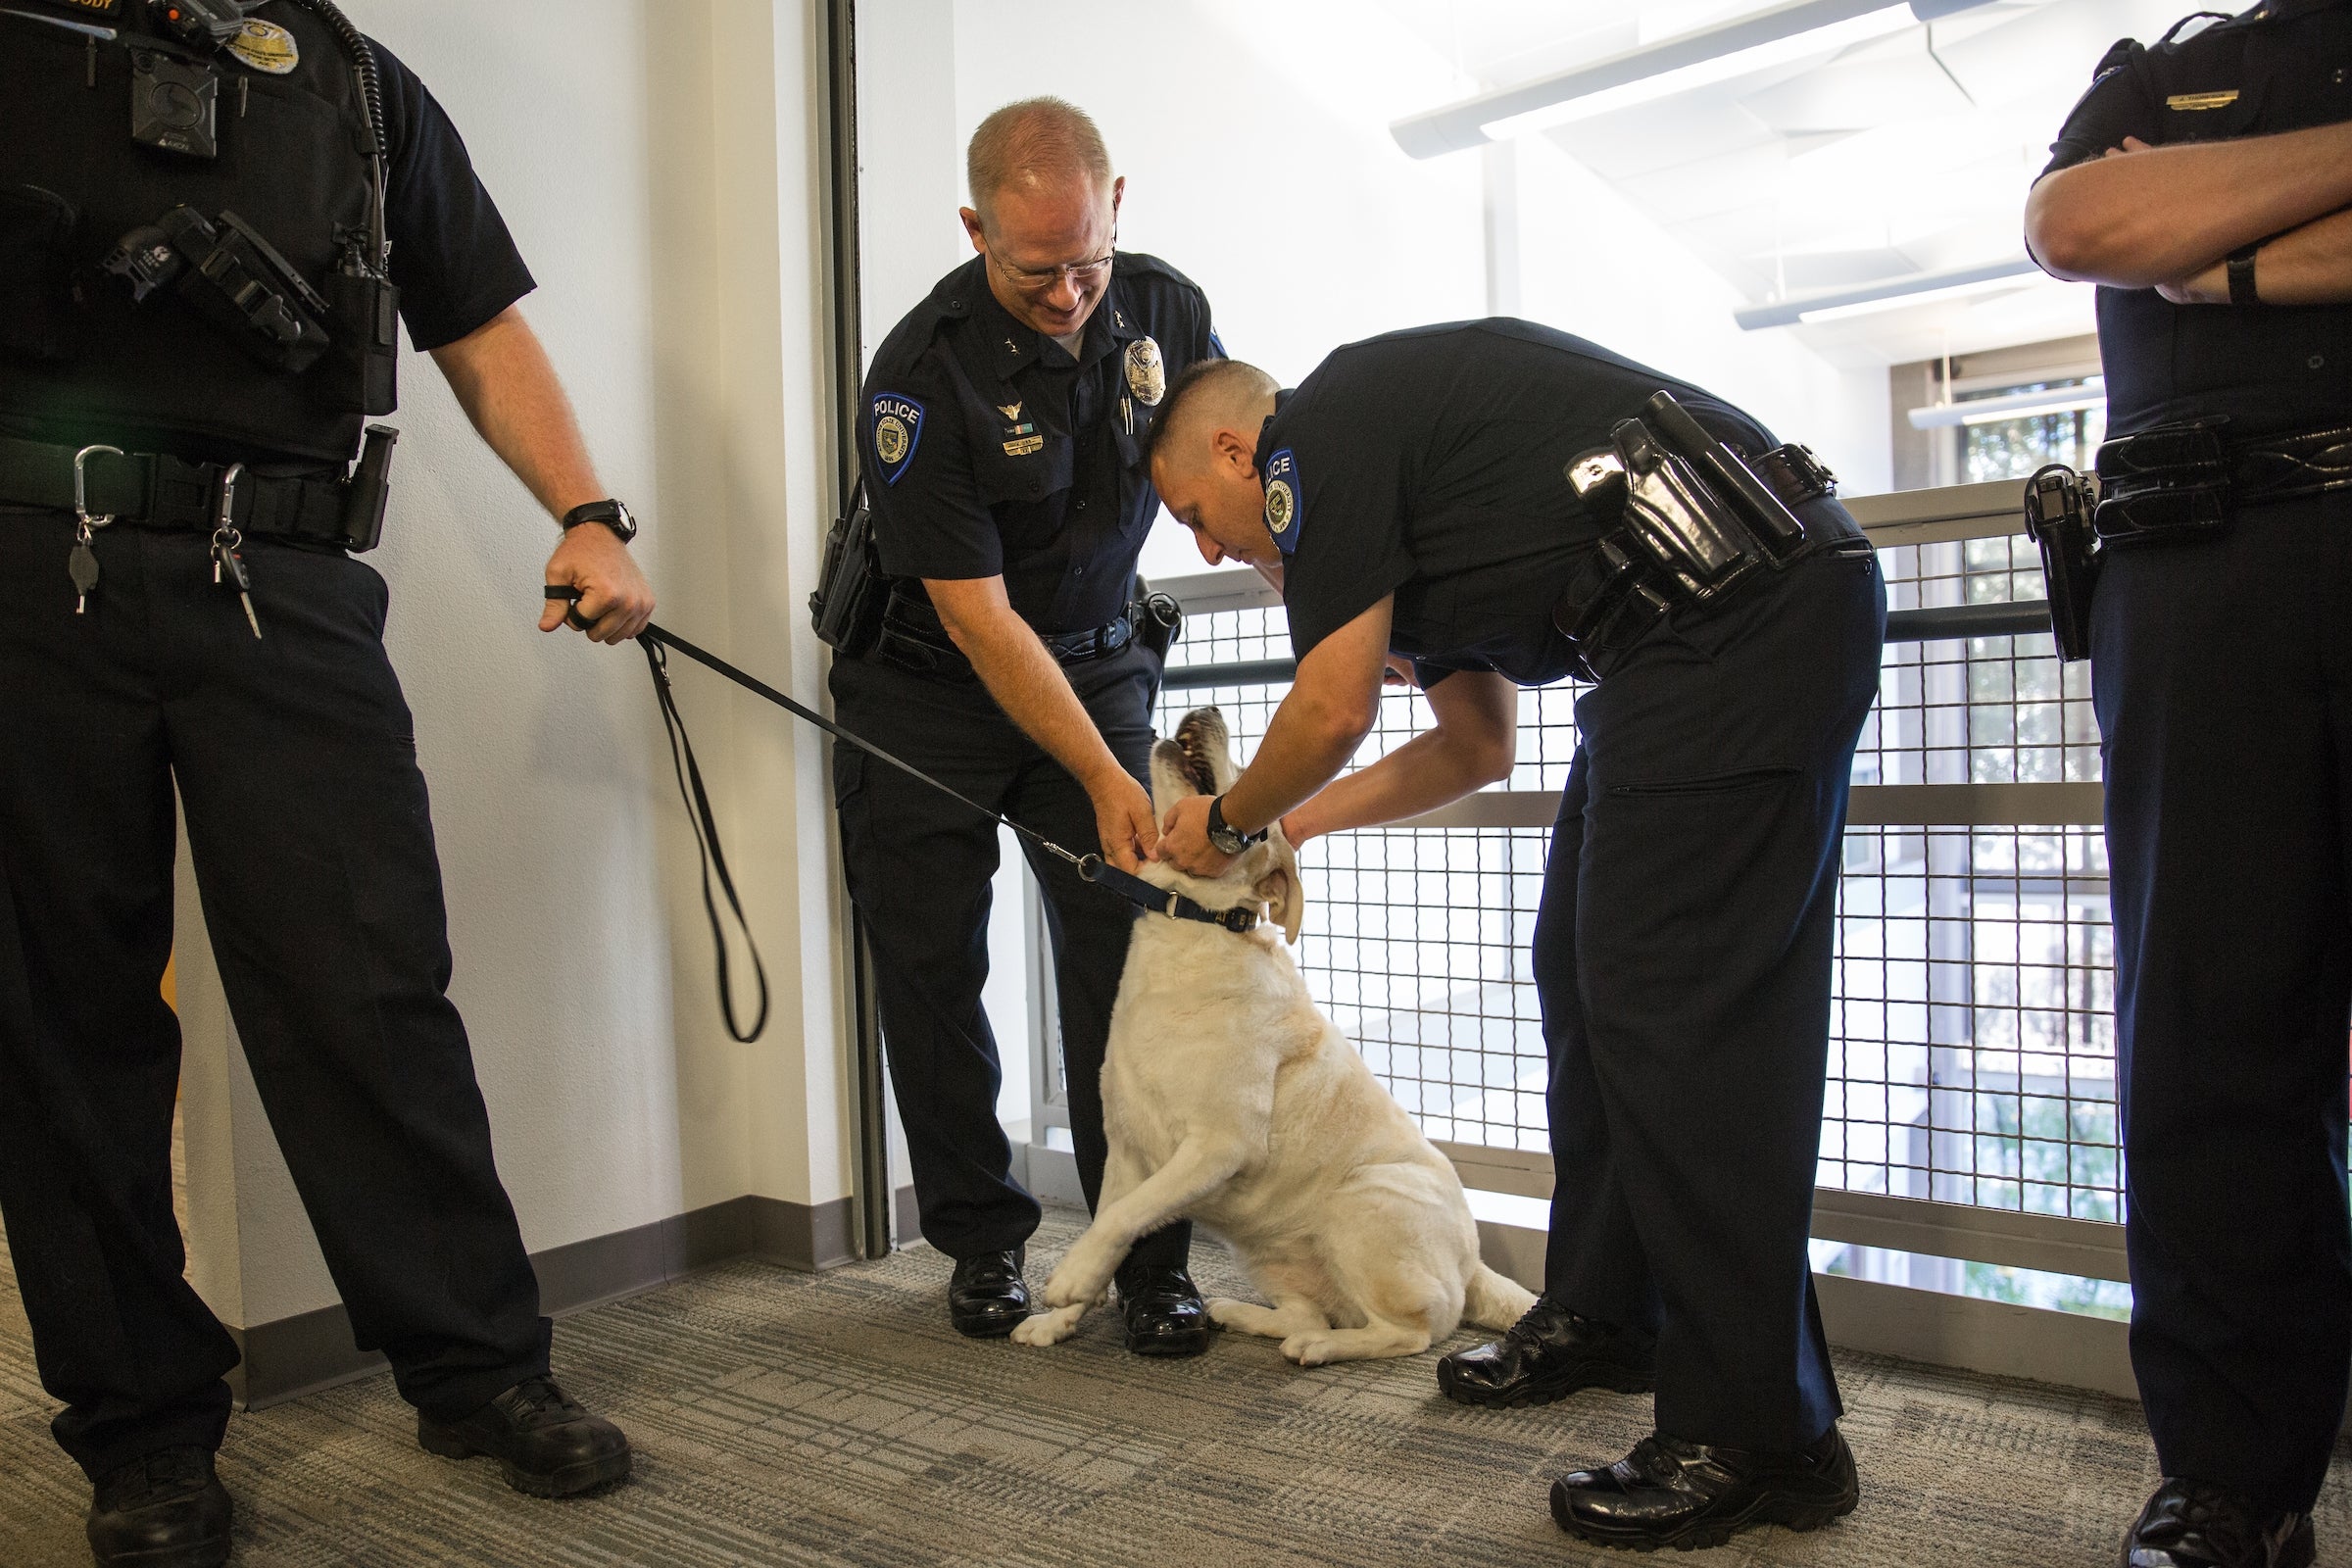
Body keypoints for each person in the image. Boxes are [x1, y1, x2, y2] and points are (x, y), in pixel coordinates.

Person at [0, 4, 653, 1564]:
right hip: (27, 574)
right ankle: (145, 1439)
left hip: (278, 573)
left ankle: (480, 1370)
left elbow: (478, 321)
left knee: (369, 991)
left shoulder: (359, 87)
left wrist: (588, 510)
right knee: (63, 1022)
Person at [1147, 326, 1886, 1552]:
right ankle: (1611, 1310)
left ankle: (1765, 1435)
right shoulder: (1399, 507)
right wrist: (1285, 835)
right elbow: (1473, 745)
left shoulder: (1318, 444)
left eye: (1196, 514)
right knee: (1587, 975)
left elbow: (1330, 707)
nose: (1215, 546)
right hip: (1675, 638)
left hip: (1731, 617)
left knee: (1684, 1020)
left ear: (1237, 447)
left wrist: (1228, 819)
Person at [2026, 4, 2352, 1563]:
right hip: (2196, 559)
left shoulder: (2198, 111)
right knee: (2207, 1026)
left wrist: (2223, 243)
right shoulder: (2168, 64)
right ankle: (2233, 1477)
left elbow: (2168, 229)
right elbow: (2086, 219)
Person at [834, 98, 1220, 1351]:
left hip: (1101, 666)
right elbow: (984, 621)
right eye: (1035, 269)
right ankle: (983, 1243)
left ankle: (1150, 1255)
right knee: (934, 971)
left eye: (1089, 262)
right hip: (931, 686)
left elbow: (1230, 462)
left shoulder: (1165, 310)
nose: (1069, 295)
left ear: (1121, 206)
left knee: (1129, 968)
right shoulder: (916, 372)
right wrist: (1105, 772)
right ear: (973, 228)